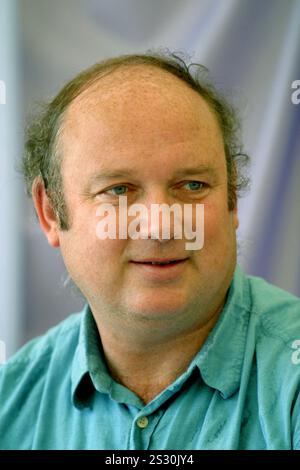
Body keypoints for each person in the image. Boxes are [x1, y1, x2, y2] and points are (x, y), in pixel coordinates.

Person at [1, 51, 300, 450]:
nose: (161, 226)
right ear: (51, 212)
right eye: (119, 190)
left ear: (232, 200)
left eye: (192, 185)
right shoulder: (10, 403)